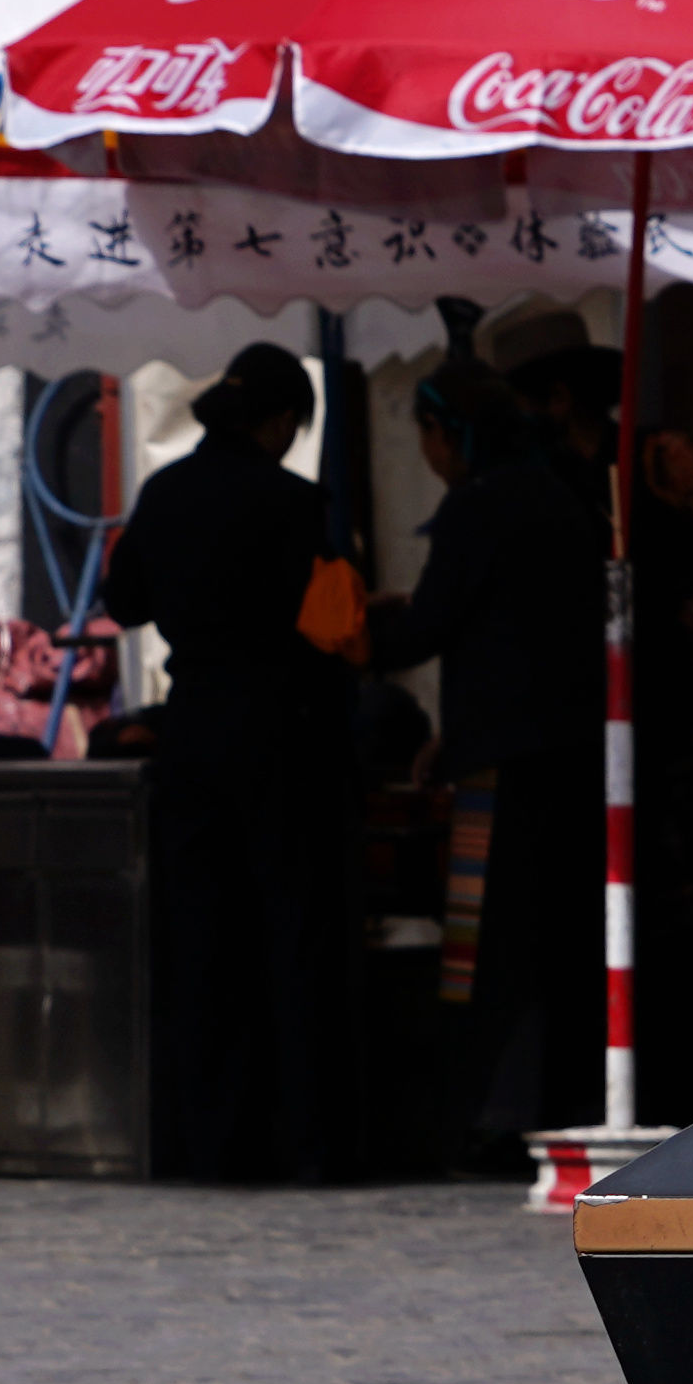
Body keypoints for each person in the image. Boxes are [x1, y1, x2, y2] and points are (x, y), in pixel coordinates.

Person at [99, 344, 364, 1184]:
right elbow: (335, 628)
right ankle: (309, 1143)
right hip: (284, 732)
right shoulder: (298, 503)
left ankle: (212, 1143)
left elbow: (126, 601)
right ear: (282, 421)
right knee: (292, 936)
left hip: (193, 731)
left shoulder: (164, 492)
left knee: (203, 940)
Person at [377, 358, 607, 1163]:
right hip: (570, 753)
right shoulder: (557, 492)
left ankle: (496, 1113)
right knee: (561, 933)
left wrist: (342, 632)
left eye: (428, 437)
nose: (429, 456)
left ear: (450, 434)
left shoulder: (478, 506)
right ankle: (564, 1100)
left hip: (502, 769)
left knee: (491, 943)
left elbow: (427, 628)